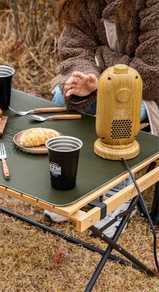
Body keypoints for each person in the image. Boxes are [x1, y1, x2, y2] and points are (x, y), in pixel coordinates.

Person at [45, 0, 159, 238]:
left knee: (115, 112)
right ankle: (69, 187)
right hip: (100, 80)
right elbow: (74, 49)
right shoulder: (82, 3)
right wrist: (86, 76)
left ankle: (116, 198)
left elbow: (151, 73)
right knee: (63, 95)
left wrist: (99, 62)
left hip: (149, 94)